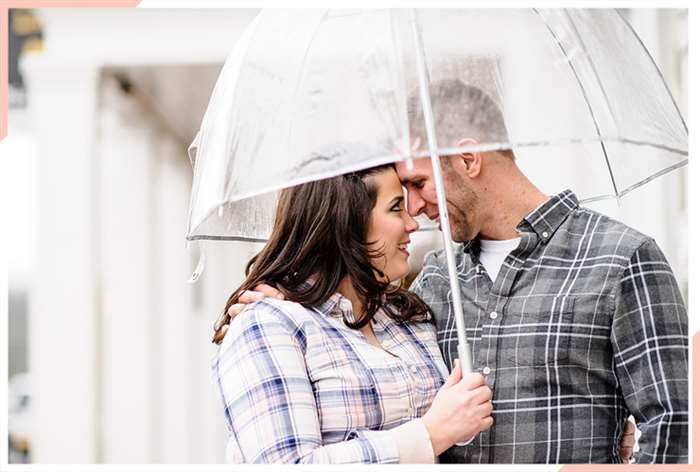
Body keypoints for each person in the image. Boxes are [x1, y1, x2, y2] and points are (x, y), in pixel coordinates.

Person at [233, 79, 686, 463]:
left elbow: (674, 424)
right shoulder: (431, 284)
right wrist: (290, 301)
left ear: (468, 160)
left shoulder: (621, 260)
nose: (413, 207)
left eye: (416, 183)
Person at [211, 164, 494, 464]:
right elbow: (286, 465)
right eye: (396, 208)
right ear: (347, 222)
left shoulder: (408, 318)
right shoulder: (271, 325)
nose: (412, 223)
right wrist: (429, 434)